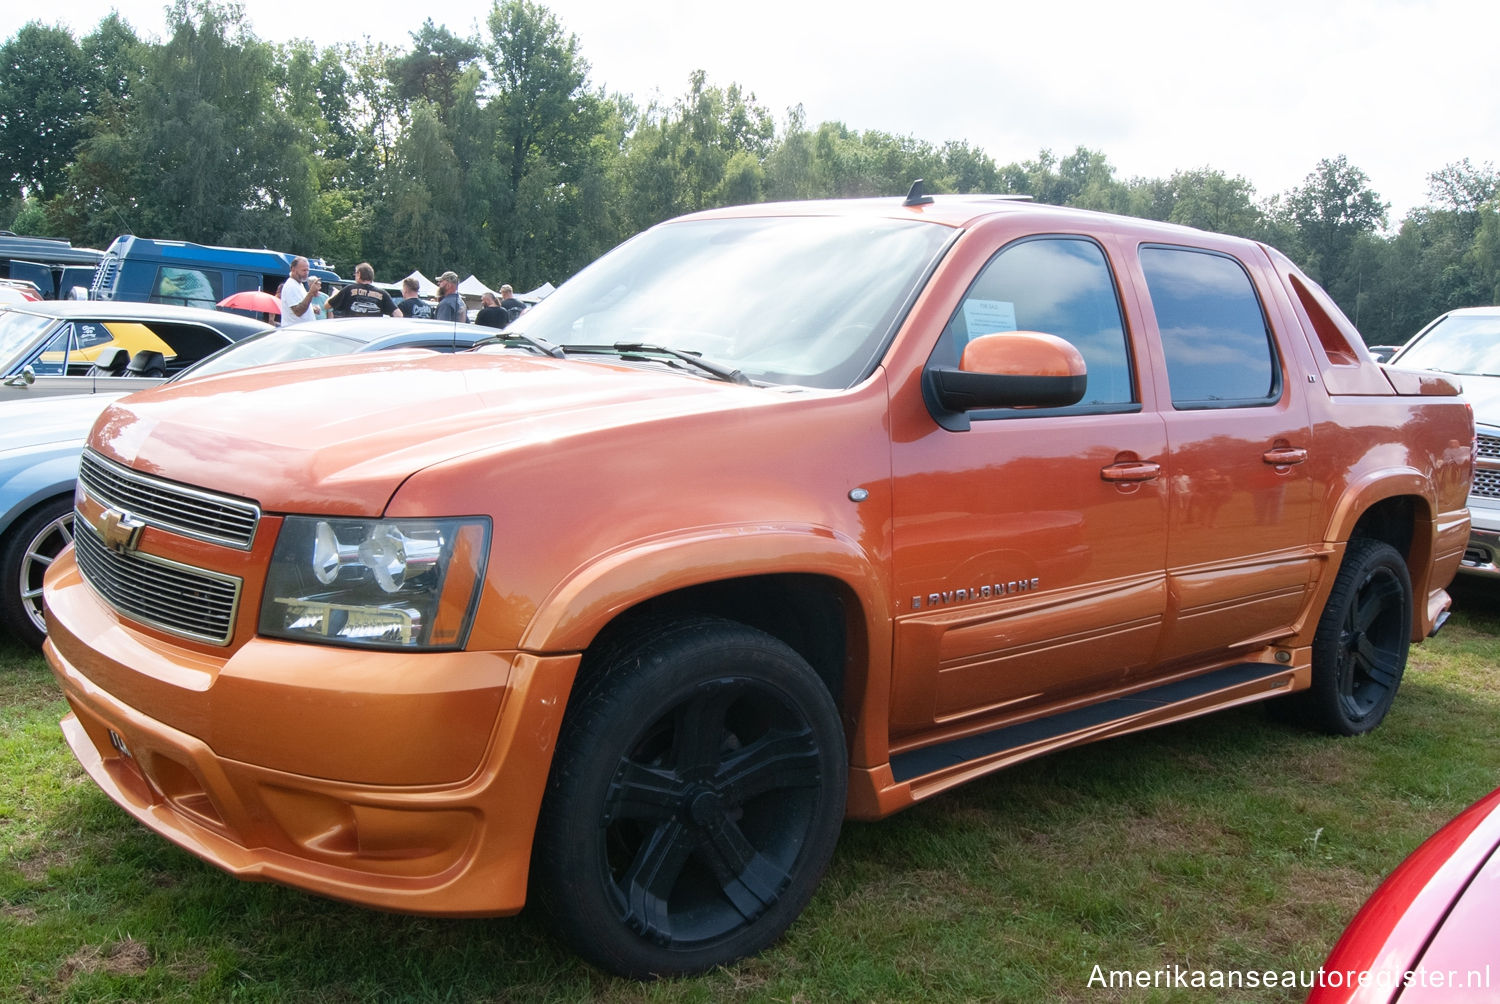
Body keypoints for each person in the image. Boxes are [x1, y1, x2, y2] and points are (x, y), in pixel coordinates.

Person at [323, 262, 402, 318]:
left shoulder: (349, 289)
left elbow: (327, 305)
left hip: (352, 332)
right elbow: (398, 315)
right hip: (373, 335)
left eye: (355, 273)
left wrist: (335, 294)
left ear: (359, 274)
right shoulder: (383, 293)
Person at [279, 256, 321, 326]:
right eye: (304, 270)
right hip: (295, 332)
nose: (306, 273)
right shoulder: (291, 286)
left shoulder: (298, 284)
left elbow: (300, 304)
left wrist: (312, 309)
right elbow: (298, 311)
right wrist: (311, 293)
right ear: (293, 269)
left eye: (308, 270)